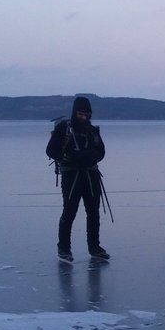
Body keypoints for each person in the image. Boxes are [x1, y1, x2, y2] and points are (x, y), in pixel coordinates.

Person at [46, 95, 109, 262]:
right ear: (74, 112)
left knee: (93, 213)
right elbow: (51, 151)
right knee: (69, 212)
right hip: (72, 176)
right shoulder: (63, 129)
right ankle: (64, 248)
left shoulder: (93, 130)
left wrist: (89, 157)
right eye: (81, 114)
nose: (84, 117)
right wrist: (70, 158)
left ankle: (94, 247)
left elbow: (101, 152)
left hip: (91, 175)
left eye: (86, 114)